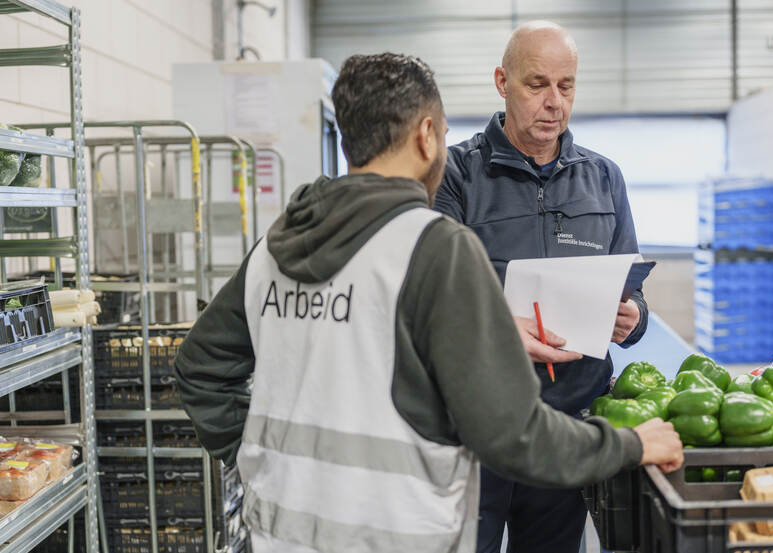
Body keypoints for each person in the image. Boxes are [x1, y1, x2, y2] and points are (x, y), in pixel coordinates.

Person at [174, 52, 682, 553]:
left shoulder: (273, 247)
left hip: (278, 531)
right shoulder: (429, 245)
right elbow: (513, 435)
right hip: (395, 532)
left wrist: (256, 455)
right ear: (425, 136)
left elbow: (199, 368)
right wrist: (630, 445)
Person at [434, 21, 650, 553]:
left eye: (567, 85)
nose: (554, 102)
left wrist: (634, 318)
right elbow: (432, 300)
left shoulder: (604, 178)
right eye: (537, 85)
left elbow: (633, 290)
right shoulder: (455, 175)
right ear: (502, 82)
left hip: (567, 428)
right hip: (476, 429)